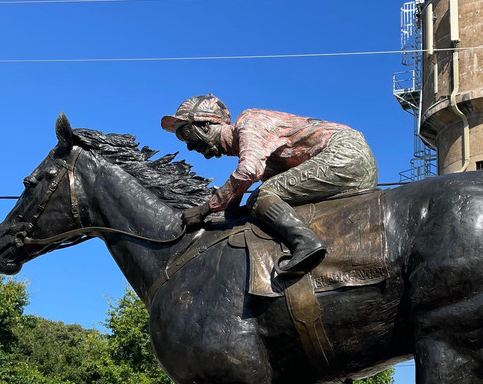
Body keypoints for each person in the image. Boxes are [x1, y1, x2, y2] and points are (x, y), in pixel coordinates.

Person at [161, 94, 379, 277]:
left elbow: (247, 172)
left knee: (262, 195)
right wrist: (227, 209)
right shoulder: (268, 157)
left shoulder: (250, 121)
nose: (189, 146)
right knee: (267, 196)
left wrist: (205, 209)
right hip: (356, 161)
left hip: (345, 153)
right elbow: (248, 181)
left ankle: (306, 243)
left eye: (186, 133)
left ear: (207, 126)